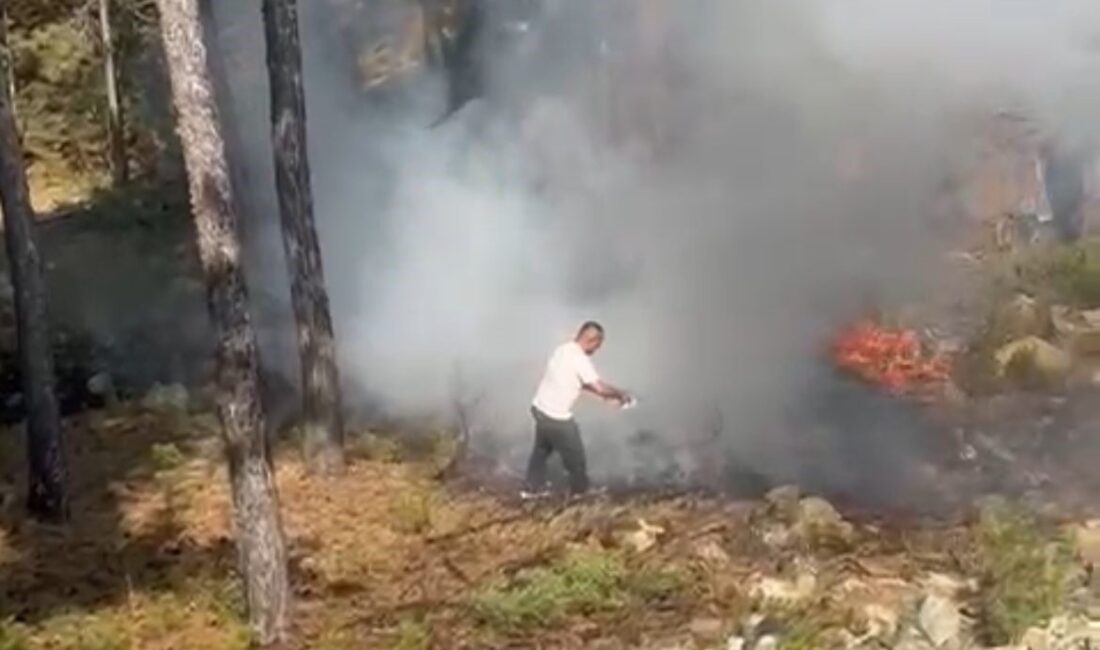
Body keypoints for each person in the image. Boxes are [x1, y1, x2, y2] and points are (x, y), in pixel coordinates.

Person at [524, 321, 632, 497]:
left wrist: (605, 396)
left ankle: (531, 489)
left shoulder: (563, 349)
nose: (597, 350)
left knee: (541, 451)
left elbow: (578, 381)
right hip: (556, 417)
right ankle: (580, 494)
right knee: (576, 459)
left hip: (539, 408)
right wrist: (621, 394)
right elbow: (599, 386)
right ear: (592, 341)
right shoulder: (580, 360)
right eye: (598, 345)